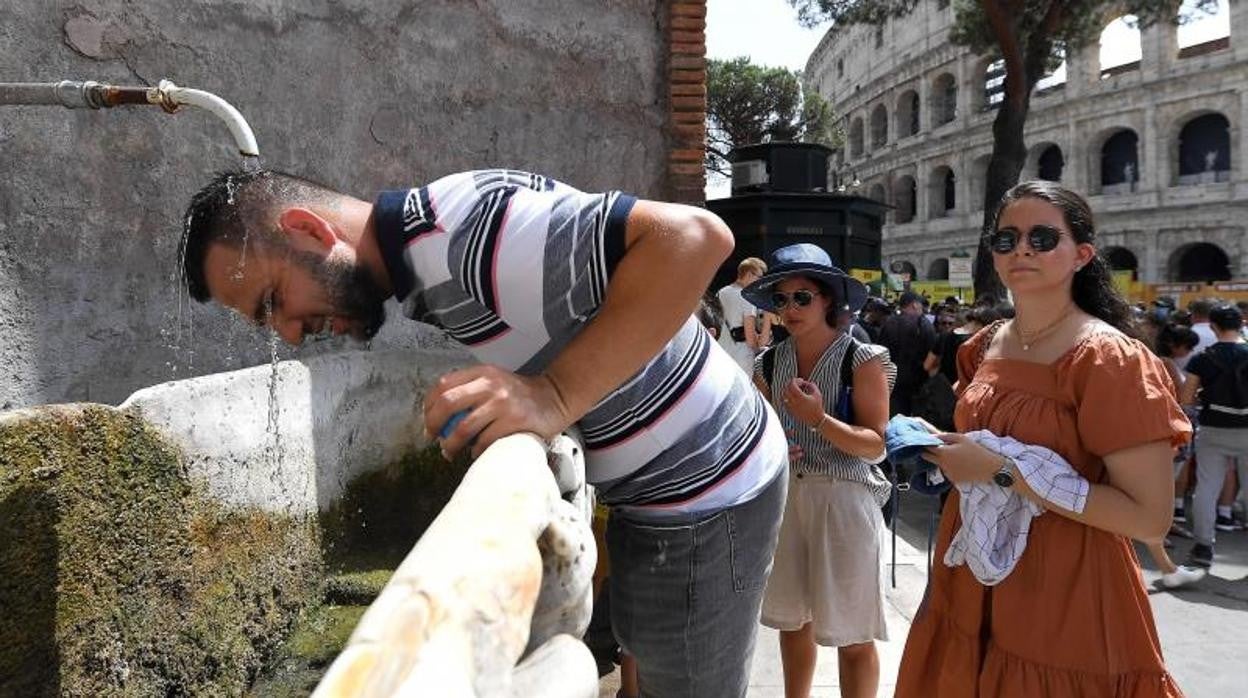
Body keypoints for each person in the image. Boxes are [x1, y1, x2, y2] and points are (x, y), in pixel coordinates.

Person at [181, 168, 789, 697]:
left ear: (309, 231)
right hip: (670, 493)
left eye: (273, 300)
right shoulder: (430, 259)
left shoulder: (465, 238)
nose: (287, 334)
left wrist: (552, 395)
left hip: (712, 489)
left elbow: (694, 237)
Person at [896, 181, 1190, 697]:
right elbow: (994, 438)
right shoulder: (985, 344)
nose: (1023, 249)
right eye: (1006, 239)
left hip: (1066, 589)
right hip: (970, 570)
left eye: (1042, 237)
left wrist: (999, 471)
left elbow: (1148, 517)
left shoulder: (1108, 358)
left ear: (1082, 254)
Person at [742, 244, 897, 698]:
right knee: (791, 622)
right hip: (788, 496)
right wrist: (770, 448)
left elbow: (876, 445)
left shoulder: (863, 359)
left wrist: (819, 421)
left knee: (852, 630)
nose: (790, 308)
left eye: (802, 297)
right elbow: (760, 431)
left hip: (845, 496)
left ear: (828, 298)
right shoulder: (767, 362)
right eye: (781, 299)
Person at [1179, 304, 1248, 570]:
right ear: (1241, 323)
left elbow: (1186, 398)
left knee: (1207, 487)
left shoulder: (1202, 358)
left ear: (1212, 326)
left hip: (1214, 428)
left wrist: (1205, 398)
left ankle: (1204, 546)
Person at [877, 290, 937, 416]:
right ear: (914, 305)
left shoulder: (889, 324)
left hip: (893, 382)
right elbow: (932, 354)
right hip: (919, 384)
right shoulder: (925, 325)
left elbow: (880, 353)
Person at [716, 257, 769, 374]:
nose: (760, 283)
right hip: (741, 359)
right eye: (760, 278)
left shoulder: (721, 292)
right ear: (749, 274)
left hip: (721, 355)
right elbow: (751, 341)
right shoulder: (747, 298)